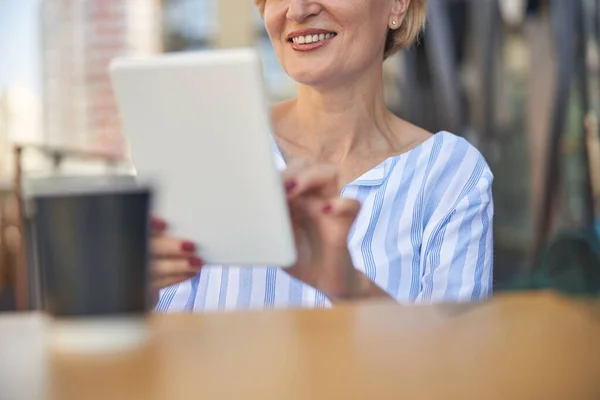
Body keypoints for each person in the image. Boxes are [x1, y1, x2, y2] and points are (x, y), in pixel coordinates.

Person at [151, 0, 494, 312]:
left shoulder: (451, 175)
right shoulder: (207, 147)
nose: (297, 11)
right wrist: (136, 295)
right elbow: (160, 349)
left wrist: (354, 289)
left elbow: (456, 366)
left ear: (397, 5)